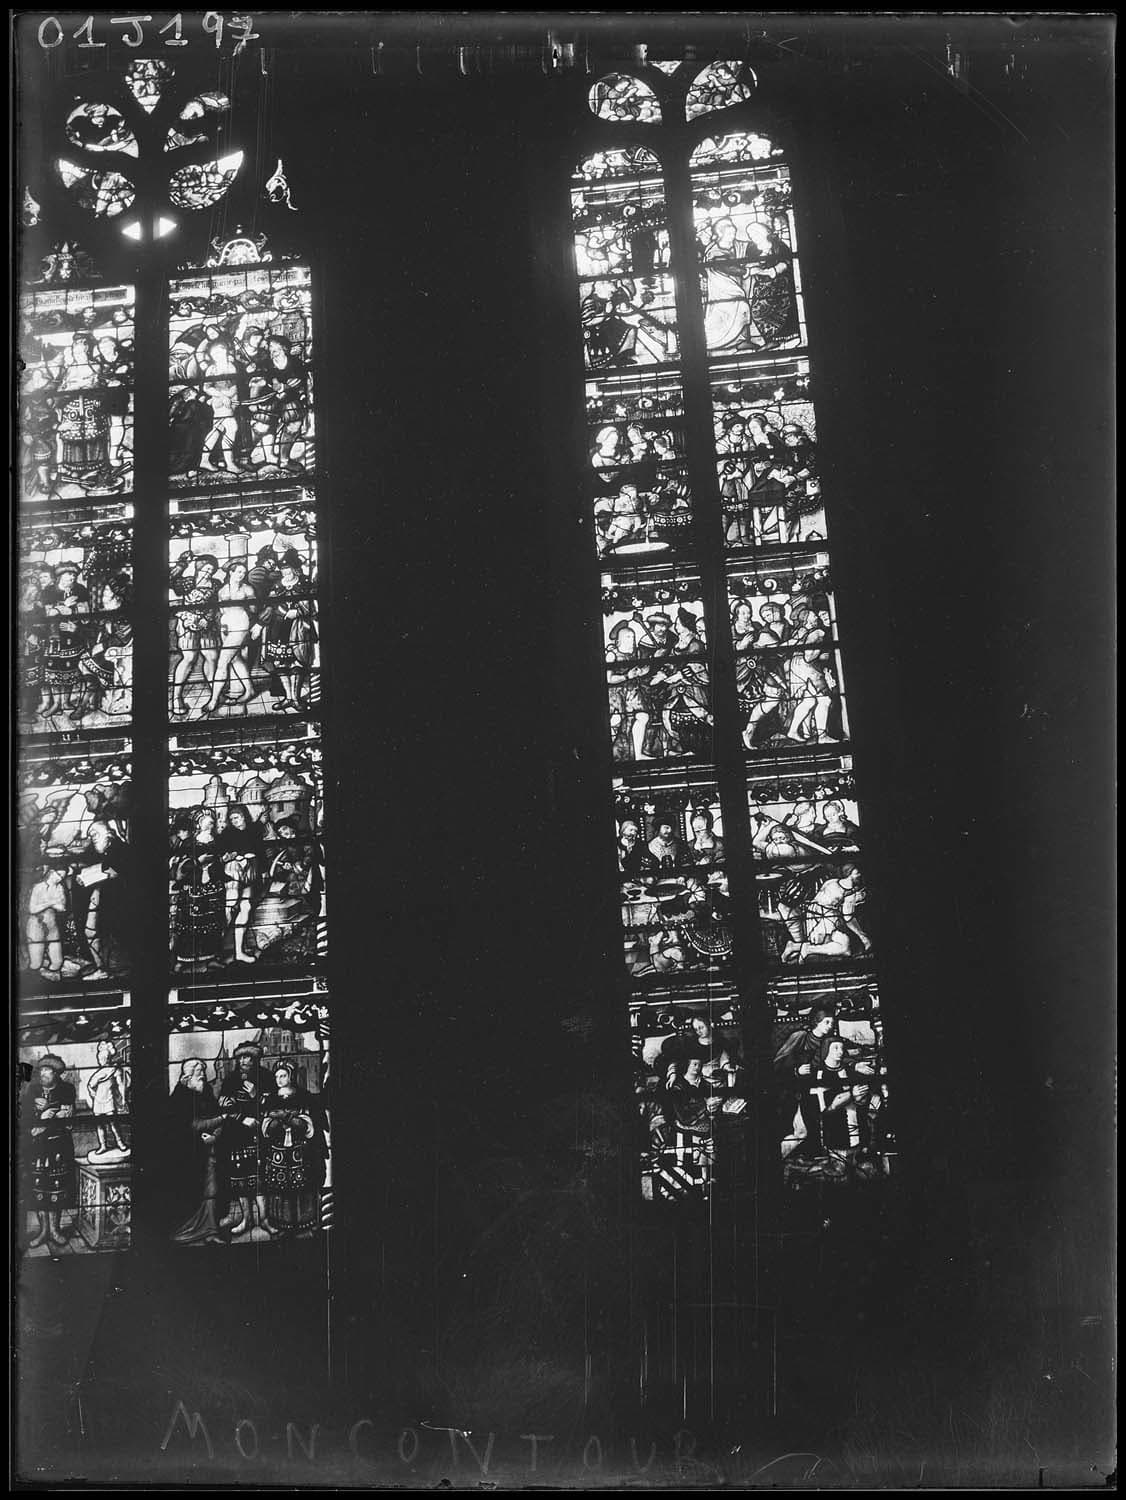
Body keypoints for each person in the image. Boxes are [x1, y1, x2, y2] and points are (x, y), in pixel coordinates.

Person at [260, 1058, 328, 1234]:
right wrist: (279, 1120)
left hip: (301, 1152)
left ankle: (307, 1221)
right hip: (279, 1154)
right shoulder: (270, 1099)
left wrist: (285, 1117)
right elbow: (266, 1128)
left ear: (291, 1076)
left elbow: (308, 1126)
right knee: (280, 1187)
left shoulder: (304, 1097)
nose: (279, 1080)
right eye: (277, 1077)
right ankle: (283, 1224)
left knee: (304, 1186)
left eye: (283, 1076)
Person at [217, 1043, 277, 1238]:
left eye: (247, 1057)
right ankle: (247, 1219)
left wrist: (255, 1095)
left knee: (259, 1179)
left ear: (255, 1059)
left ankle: (264, 1220)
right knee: (240, 1180)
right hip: (236, 1135)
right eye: (240, 1057)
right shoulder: (231, 1079)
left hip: (260, 1134)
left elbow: (273, 1104)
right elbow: (223, 1105)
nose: (243, 1061)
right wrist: (243, 1118)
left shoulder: (266, 1077)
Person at [168, 1058, 229, 1245]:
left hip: (210, 1151)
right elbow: (193, 1125)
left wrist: (215, 1136)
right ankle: (190, 1230)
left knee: (212, 1190)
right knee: (196, 1191)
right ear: (188, 1077)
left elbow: (215, 1115)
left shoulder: (206, 1093)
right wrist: (222, 1118)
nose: (203, 1075)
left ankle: (211, 1230)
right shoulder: (180, 1097)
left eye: (203, 1071)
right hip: (189, 1155)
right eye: (198, 1072)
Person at [243, 818, 321, 962]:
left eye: (285, 829)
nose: (283, 833)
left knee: (309, 904)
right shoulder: (283, 845)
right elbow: (277, 860)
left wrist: (300, 865)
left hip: (309, 878)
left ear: (292, 828)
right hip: (293, 880)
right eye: (280, 832)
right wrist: (284, 864)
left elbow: (310, 854)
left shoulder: (304, 838)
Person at [24, 1054, 77, 1250]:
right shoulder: (33, 1090)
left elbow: (67, 1116)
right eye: (42, 1070)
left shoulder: (66, 1089)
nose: (43, 1073)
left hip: (59, 1146)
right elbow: (25, 1115)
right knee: (39, 1187)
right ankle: (43, 1231)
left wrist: (49, 1113)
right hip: (38, 1147)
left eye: (48, 1070)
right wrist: (43, 1114)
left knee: (57, 1187)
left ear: (56, 1073)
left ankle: (54, 1230)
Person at [250, 554, 316, 712]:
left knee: (297, 662)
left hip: (299, 629)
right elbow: (270, 606)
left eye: (288, 569)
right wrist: (260, 623)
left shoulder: (305, 583)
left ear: (295, 569)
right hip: (277, 629)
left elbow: (313, 605)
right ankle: (288, 697)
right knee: (280, 663)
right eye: (283, 569)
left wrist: (298, 612)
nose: (286, 572)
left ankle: (296, 698)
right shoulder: (277, 585)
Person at [773, 1007, 835, 1160]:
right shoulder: (801, 1037)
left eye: (832, 1023)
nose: (830, 1026)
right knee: (799, 1132)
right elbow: (777, 1066)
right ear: (816, 1022)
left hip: (817, 1093)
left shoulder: (828, 1042)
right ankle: (776, 1160)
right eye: (826, 1022)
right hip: (795, 1094)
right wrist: (796, 1071)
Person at [781, 865, 872, 963]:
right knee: (845, 949)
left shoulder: (832, 881)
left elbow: (818, 897)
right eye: (857, 873)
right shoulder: (850, 893)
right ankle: (805, 949)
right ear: (849, 873)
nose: (860, 875)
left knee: (844, 947)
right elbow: (848, 917)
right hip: (825, 919)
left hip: (814, 914)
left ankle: (796, 947)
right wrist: (862, 936)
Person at [169, 553, 221, 719]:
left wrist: (207, 619)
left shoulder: (216, 584)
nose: (208, 573)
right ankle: (176, 698)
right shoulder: (188, 582)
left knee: (211, 656)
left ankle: (215, 694)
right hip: (188, 623)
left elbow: (216, 604)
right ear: (199, 568)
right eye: (206, 569)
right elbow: (169, 579)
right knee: (189, 658)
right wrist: (182, 563)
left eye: (211, 570)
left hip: (207, 625)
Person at [76, 820, 129, 980]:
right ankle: (102, 968)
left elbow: (117, 870)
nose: (92, 838)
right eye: (91, 835)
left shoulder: (120, 850)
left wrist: (90, 876)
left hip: (116, 905)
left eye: (95, 834)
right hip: (101, 901)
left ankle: (114, 971)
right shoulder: (105, 851)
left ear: (109, 834)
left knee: (111, 937)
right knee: (91, 931)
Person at [206, 559, 257, 714]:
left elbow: (254, 609)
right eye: (239, 571)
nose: (242, 575)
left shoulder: (247, 589)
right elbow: (221, 610)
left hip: (240, 624)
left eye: (244, 572)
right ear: (231, 572)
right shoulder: (222, 590)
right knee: (235, 659)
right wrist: (224, 624)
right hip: (226, 625)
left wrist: (250, 602)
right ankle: (250, 690)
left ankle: (214, 699)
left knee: (222, 662)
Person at [217, 804, 264, 963]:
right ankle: (216, 950)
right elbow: (222, 855)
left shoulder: (254, 830)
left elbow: (260, 851)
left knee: (246, 907)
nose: (234, 821)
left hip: (251, 870)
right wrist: (234, 857)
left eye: (236, 817)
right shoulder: (227, 834)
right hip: (234, 869)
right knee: (230, 906)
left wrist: (263, 870)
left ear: (244, 816)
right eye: (231, 819)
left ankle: (239, 952)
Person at [606, 622, 652, 762]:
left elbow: (647, 667)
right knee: (616, 721)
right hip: (616, 693)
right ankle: (608, 755)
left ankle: (638, 755)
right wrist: (627, 676)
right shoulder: (612, 656)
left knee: (643, 717)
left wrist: (642, 671)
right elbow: (608, 679)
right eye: (627, 637)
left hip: (633, 691)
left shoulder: (637, 653)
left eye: (633, 637)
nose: (631, 640)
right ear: (619, 639)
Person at [84, 1040, 129, 1159]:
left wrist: (123, 1098)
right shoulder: (98, 1073)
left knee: (113, 1122)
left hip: (109, 1099)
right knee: (99, 1125)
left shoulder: (114, 1070)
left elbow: (120, 1085)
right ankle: (103, 1146)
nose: (101, 1060)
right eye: (100, 1058)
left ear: (108, 1058)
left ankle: (120, 1143)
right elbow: (90, 1085)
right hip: (98, 1101)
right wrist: (93, 1094)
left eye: (103, 1058)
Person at [26, 867, 67, 981]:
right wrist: (51, 903)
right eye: (59, 875)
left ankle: (51, 981)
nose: (60, 879)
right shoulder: (38, 887)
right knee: (36, 963)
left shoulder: (59, 887)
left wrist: (45, 904)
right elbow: (32, 909)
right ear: (51, 872)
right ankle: (33, 983)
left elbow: (62, 907)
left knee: (58, 962)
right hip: (36, 926)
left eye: (62, 877)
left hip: (52, 925)